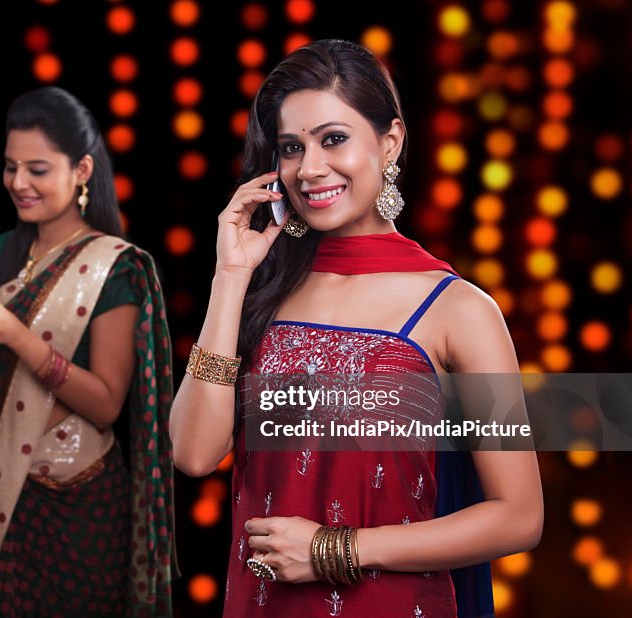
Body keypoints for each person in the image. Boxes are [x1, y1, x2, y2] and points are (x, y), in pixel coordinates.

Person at [169, 40, 543, 617]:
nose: (309, 168)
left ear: (390, 140)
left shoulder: (458, 309)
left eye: (333, 138)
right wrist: (231, 275)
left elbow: (519, 515)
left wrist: (332, 550)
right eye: (291, 147)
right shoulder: (263, 291)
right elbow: (194, 452)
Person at [0, 87, 176, 617]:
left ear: (82, 169)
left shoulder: (117, 267)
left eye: (37, 169)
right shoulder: (2, 252)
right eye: (11, 167)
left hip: (79, 504)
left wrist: (16, 335)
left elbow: (108, 403)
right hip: (2, 496)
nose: (19, 183)